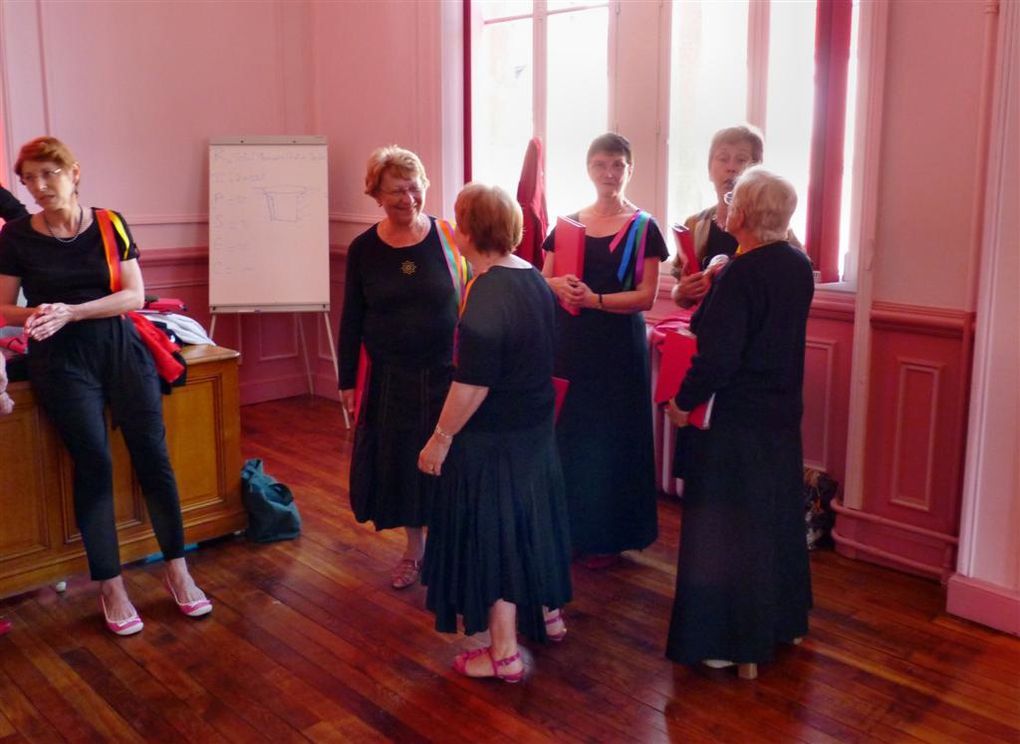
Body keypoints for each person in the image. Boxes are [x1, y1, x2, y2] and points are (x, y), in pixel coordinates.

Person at [0, 136, 211, 636]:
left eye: (48, 174)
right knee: (93, 463)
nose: (38, 186)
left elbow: (133, 295)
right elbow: (3, 307)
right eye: (28, 178)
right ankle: (111, 586)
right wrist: (40, 313)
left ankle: (177, 571)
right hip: (61, 360)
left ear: (74, 172)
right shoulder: (15, 237)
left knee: (153, 459)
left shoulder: (111, 223)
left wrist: (74, 310)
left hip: (120, 349)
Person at [418, 183, 571, 683]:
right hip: (533, 430)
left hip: (497, 439)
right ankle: (547, 614)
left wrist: (439, 439)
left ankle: (503, 652)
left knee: (496, 536)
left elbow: (473, 385)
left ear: (466, 230)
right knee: (532, 521)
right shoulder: (529, 275)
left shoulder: (487, 293)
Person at [664, 167, 814, 679]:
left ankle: (729, 641)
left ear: (743, 214)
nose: (724, 206)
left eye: (730, 199)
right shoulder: (796, 263)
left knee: (724, 530)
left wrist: (683, 402)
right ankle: (782, 621)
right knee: (774, 521)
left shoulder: (742, 274)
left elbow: (719, 358)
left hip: (734, 421)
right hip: (778, 415)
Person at [337, 146, 466, 590]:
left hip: (447, 375)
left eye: (414, 188)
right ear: (376, 194)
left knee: (449, 462)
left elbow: (477, 299)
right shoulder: (363, 249)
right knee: (404, 464)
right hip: (390, 378)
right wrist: (345, 382)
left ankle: (451, 546)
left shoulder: (451, 238)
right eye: (395, 191)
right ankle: (415, 550)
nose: (408, 198)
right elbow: (351, 317)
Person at [541, 133, 668, 568]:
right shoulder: (567, 223)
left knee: (614, 438)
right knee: (572, 437)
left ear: (629, 169)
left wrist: (594, 300)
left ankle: (612, 535)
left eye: (617, 165)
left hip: (618, 347)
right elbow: (543, 280)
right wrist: (560, 287)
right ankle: (572, 530)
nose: (609, 173)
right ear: (588, 169)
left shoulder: (643, 227)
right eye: (600, 165)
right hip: (572, 342)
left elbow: (647, 296)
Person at [671, 124, 764, 308]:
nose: (731, 168)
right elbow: (680, 295)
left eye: (741, 159)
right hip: (706, 330)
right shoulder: (695, 224)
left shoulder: (771, 226)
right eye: (723, 159)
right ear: (709, 170)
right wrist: (682, 291)